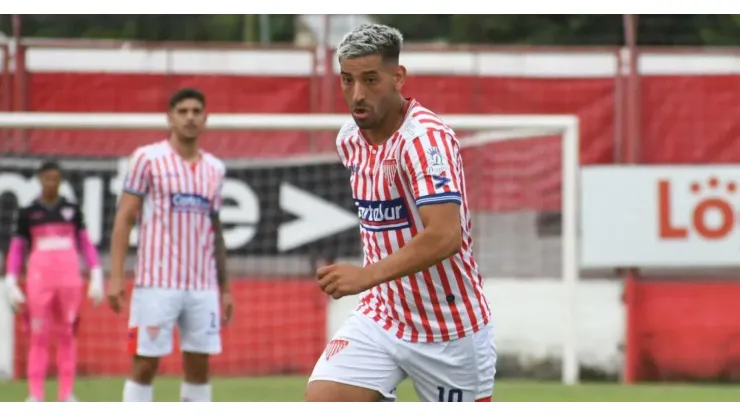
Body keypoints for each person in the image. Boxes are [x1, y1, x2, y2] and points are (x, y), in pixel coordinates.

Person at [307, 24, 496, 402]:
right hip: (383, 316)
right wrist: (372, 283)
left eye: (370, 80)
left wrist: (365, 276)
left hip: (449, 328)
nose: (357, 94)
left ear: (398, 77)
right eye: (347, 80)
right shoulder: (349, 138)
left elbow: (445, 235)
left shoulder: (425, 140)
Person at [107, 88, 234, 402]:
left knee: (199, 367)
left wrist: (226, 287)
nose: (190, 117)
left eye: (196, 111)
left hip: (203, 286)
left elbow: (215, 230)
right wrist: (116, 276)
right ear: (170, 117)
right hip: (156, 283)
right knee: (145, 365)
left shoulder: (215, 169)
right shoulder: (147, 159)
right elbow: (124, 218)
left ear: (206, 118)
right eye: (183, 111)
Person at [3, 160, 105, 402]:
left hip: (69, 280)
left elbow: (85, 244)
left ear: (61, 181)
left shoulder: (72, 210)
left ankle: (66, 393)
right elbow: (18, 249)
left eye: (56, 178)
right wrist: (11, 279)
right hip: (40, 281)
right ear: (40, 179)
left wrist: (96, 273)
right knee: (39, 336)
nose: (52, 183)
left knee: (67, 334)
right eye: (47, 178)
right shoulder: (29, 213)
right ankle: (35, 394)